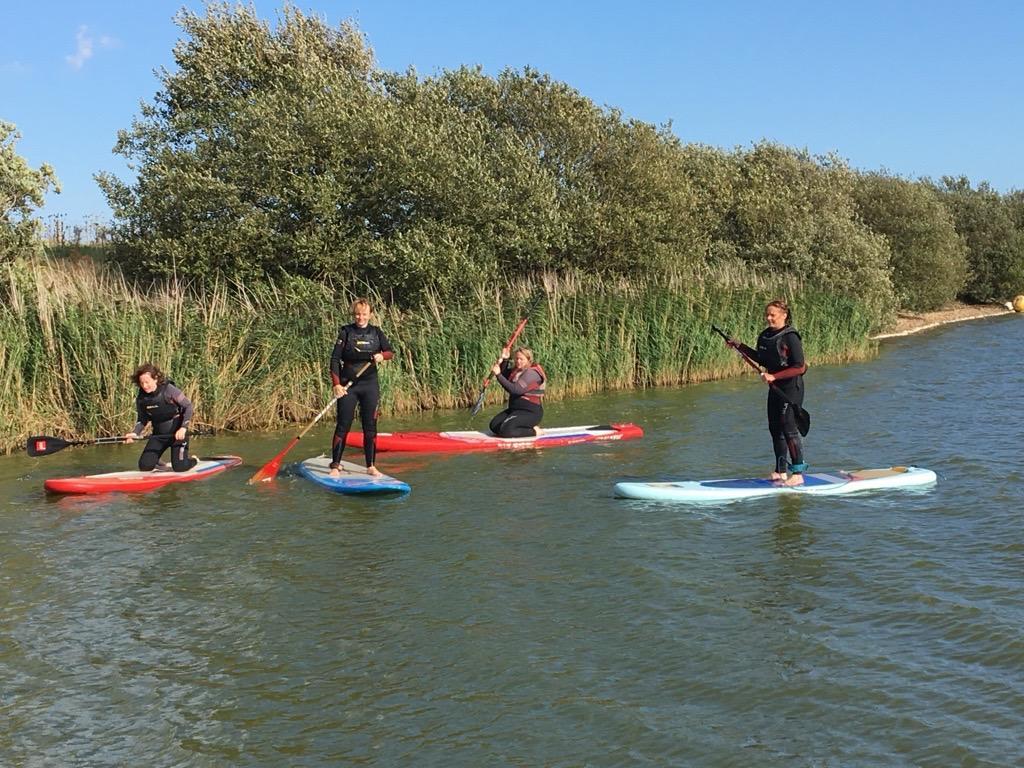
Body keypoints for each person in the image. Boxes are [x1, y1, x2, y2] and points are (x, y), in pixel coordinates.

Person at [726, 300, 808, 487]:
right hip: (774, 388)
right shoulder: (765, 336)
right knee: (775, 429)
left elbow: (800, 367)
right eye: (767, 314)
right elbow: (760, 357)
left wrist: (774, 375)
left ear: (784, 315)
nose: (769, 318)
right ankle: (780, 472)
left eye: (773, 314)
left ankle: (797, 473)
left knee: (788, 427)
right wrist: (740, 346)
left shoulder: (791, 337)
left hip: (790, 389)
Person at [329, 297, 394, 478]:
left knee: (370, 426)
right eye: (357, 314)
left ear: (370, 315)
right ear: (354, 314)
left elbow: (390, 352)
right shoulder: (346, 332)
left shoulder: (376, 332)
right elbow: (334, 360)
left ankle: (371, 465)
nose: (360, 317)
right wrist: (337, 385)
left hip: (369, 385)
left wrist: (383, 356)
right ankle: (335, 465)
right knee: (343, 425)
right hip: (348, 386)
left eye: (364, 314)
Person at [124, 362, 198, 472]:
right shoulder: (141, 398)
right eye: (142, 383)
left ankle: (194, 460)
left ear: (155, 379)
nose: (144, 386)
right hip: (158, 436)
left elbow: (188, 407)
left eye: (147, 382)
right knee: (145, 466)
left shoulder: (169, 390)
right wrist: (135, 433)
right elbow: (142, 419)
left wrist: (183, 428)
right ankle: (156, 460)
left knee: (179, 467)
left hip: (177, 435)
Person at [489, 346, 546, 438]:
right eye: (516, 358)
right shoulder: (517, 370)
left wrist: (498, 375)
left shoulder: (532, 374)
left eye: (521, 359)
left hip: (530, 412)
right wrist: (505, 359)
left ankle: (535, 431)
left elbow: (516, 390)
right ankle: (519, 427)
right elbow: (505, 375)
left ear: (528, 359)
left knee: (506, 431)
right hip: (515, 410)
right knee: (494, 426)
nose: (518, 361)